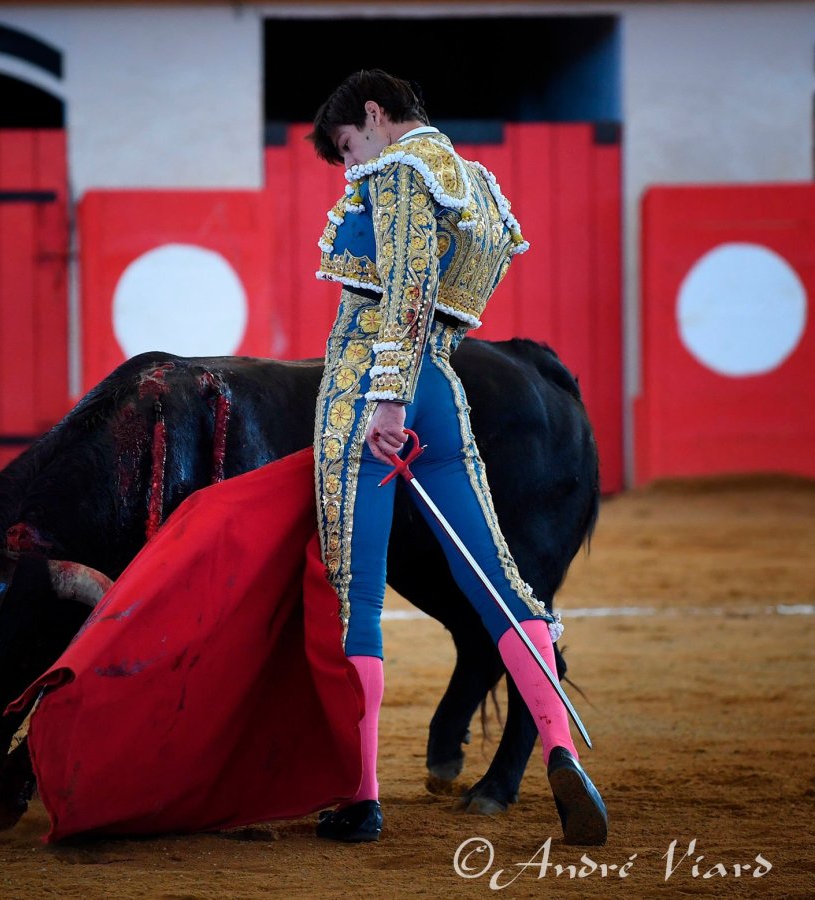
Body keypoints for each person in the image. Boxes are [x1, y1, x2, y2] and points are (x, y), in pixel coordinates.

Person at [307, 69, 608, 845]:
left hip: (372, 387)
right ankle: (560, 748)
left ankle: (361, 797)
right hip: (443, 383)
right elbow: (451, 298)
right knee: (502, 582)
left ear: (375, 114)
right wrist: (414, 386)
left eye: (348, 145)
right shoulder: (477, 185)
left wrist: (385, 399)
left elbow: (407, 288)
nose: (350, 165)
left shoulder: (400, 170)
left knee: (355, 598)